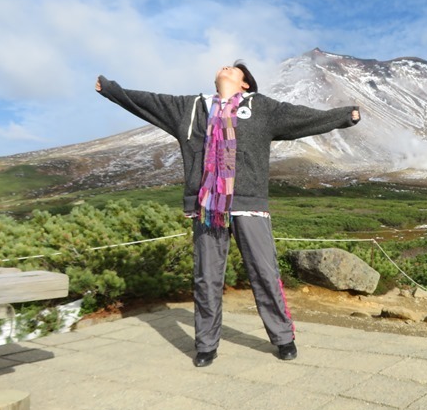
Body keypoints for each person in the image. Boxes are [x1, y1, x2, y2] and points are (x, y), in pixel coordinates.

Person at [95, 62, 361, 367]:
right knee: (206, 277)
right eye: (226, 66)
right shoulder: (191, 108)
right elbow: (149, 103)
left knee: (265, 272)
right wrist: (112, 90)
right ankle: (206, 344)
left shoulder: (261, 108)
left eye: (237, 70)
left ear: (246, 84)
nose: (228, 67)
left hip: (250, 203)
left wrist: (343, 116)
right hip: (208, 208)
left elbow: (301, 116)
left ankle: (283, 337)